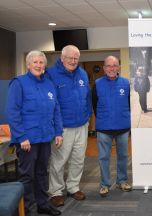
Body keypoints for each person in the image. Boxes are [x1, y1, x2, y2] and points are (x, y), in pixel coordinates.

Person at [6, 50, 63, 216]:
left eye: (41, 62)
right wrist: (21, 136)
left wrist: (58, 132)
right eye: (35, 62)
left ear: (45, 65)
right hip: (27, 140)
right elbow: (12, 111)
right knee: (27, 176)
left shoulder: (48, 84)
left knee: (42, 173)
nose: (38, 65)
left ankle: (43, 204)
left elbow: (56, 109)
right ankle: (29, 209)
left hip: (45, 137)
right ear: (28, 64)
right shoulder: (19, 83)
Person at [47, 45, 92, 207]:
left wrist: (88, 116)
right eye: (70, 58)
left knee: (78, 159)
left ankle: (73, 187)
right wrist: (55, 127)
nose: (73, 61)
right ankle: (56, 191)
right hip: (62, 127)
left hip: (81, 125)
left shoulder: (82, 73)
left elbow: (87, 97)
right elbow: (50, 102)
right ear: (62, 58)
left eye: (76, 58)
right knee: (59, 160)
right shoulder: (51, 74)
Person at [92, 56, 132, 197]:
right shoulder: (97, 84)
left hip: (122, 126)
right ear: (104, 68)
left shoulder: (126, 83)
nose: (111, 68)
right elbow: (94, 104)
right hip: (104, 127)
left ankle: (122, 181)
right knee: (104, 157)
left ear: (119, 67)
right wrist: (103, 117)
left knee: (123, 156)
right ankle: (104, 184)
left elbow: (130, 104)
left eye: (114, 65)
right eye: (108, 66)